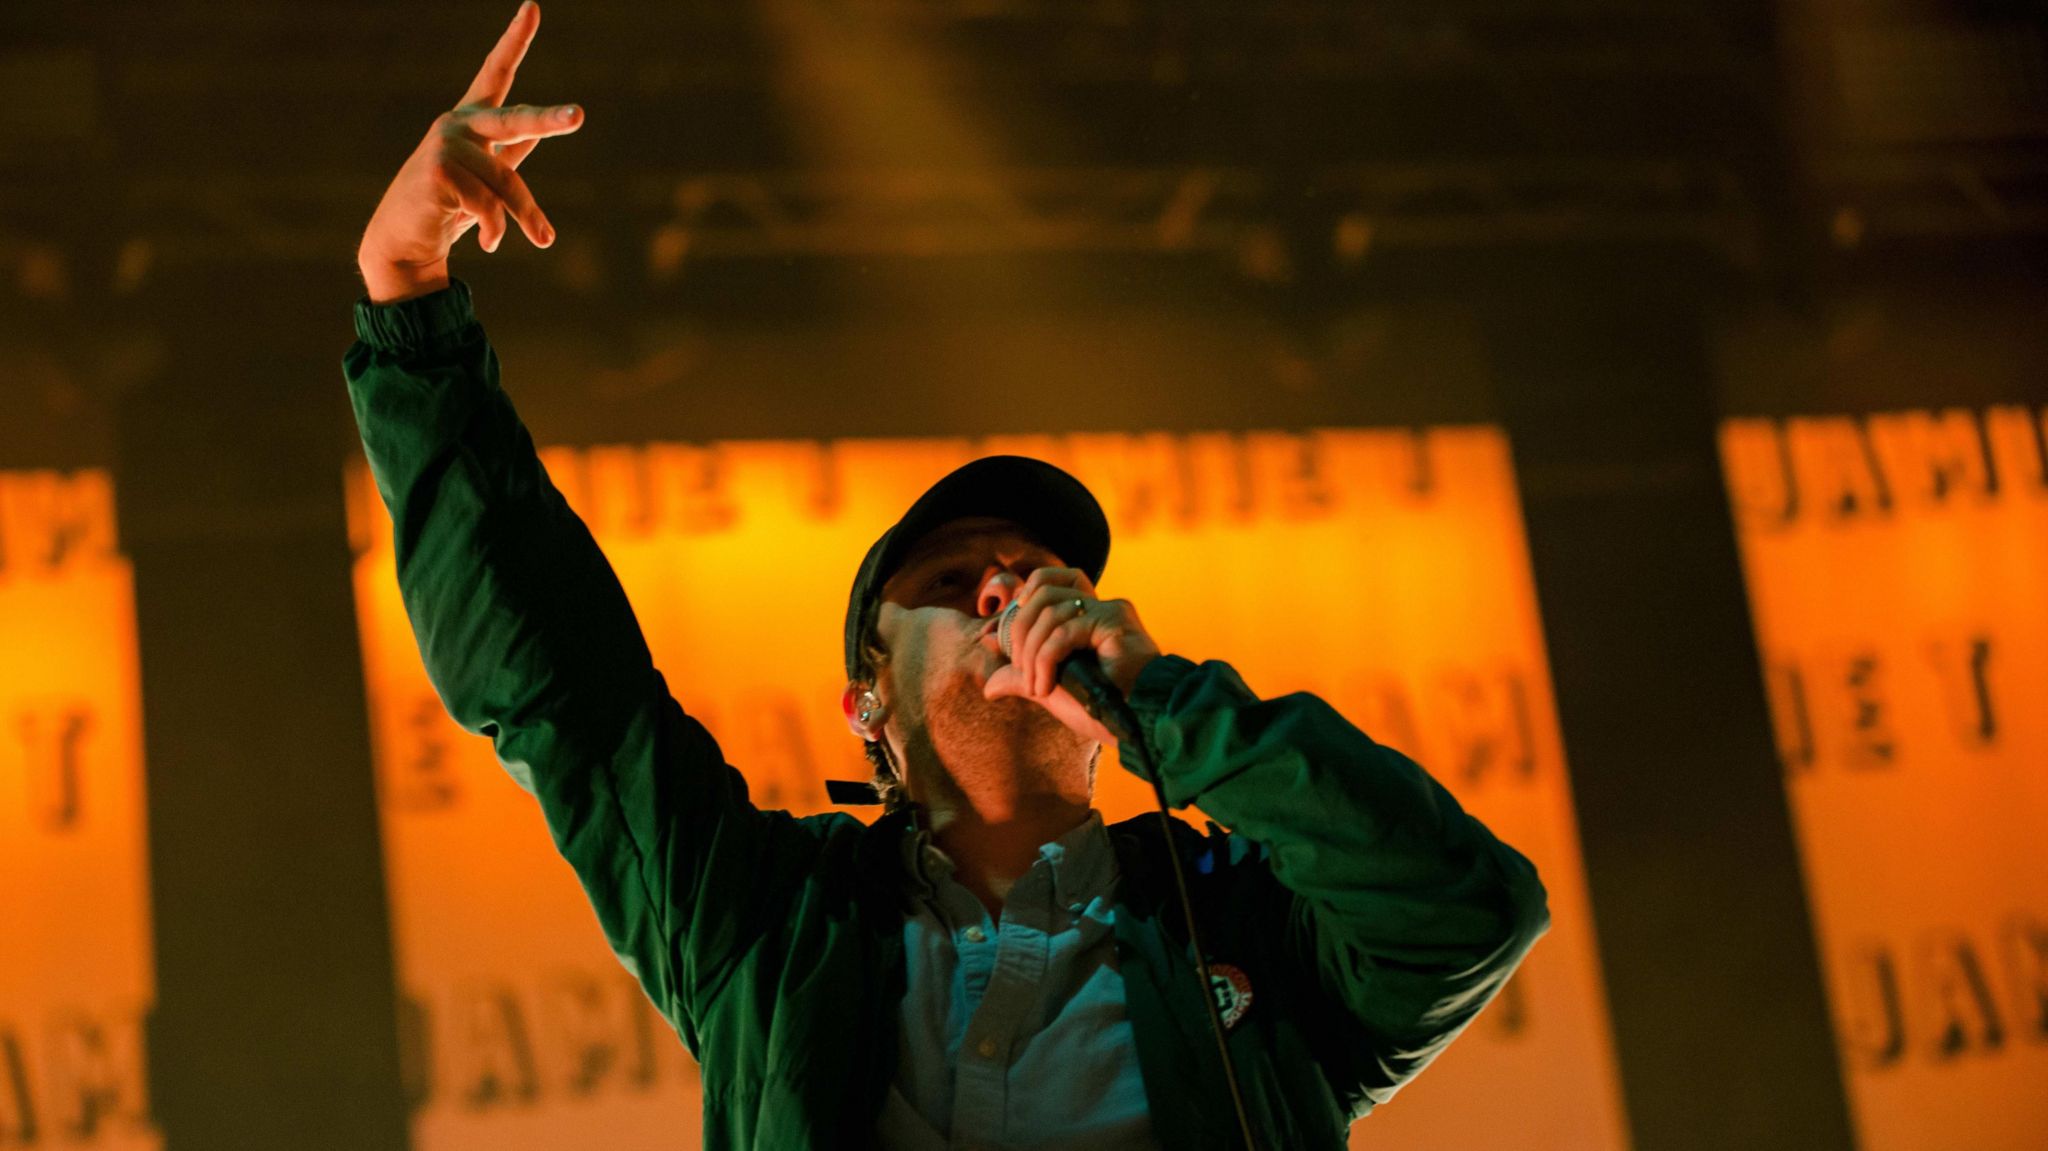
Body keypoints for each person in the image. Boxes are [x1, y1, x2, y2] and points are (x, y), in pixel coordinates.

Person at [344, 5, 1549, 1149]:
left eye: (1041, 569)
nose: (1007, 584)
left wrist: (1171, 705)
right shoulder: (770, 918)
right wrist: (408, 309)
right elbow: (565, 690)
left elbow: (1463, 911)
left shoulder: (1236, 921)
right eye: (955, 574)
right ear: (868, 700)